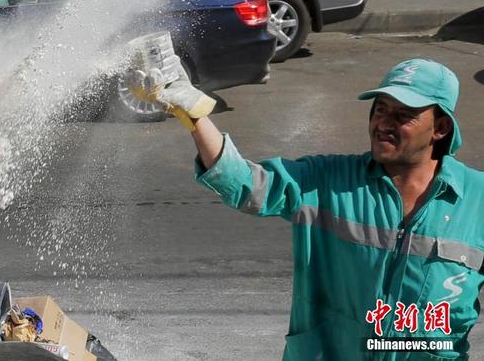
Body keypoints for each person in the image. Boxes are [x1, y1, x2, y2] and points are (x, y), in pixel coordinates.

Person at [136, 58, 484, 360]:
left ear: (440, 128)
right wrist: (194, 115)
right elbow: (246, 184)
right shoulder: (328, 180)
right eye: (380, 109)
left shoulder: (478, 200)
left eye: (403, 115)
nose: (383, 124)